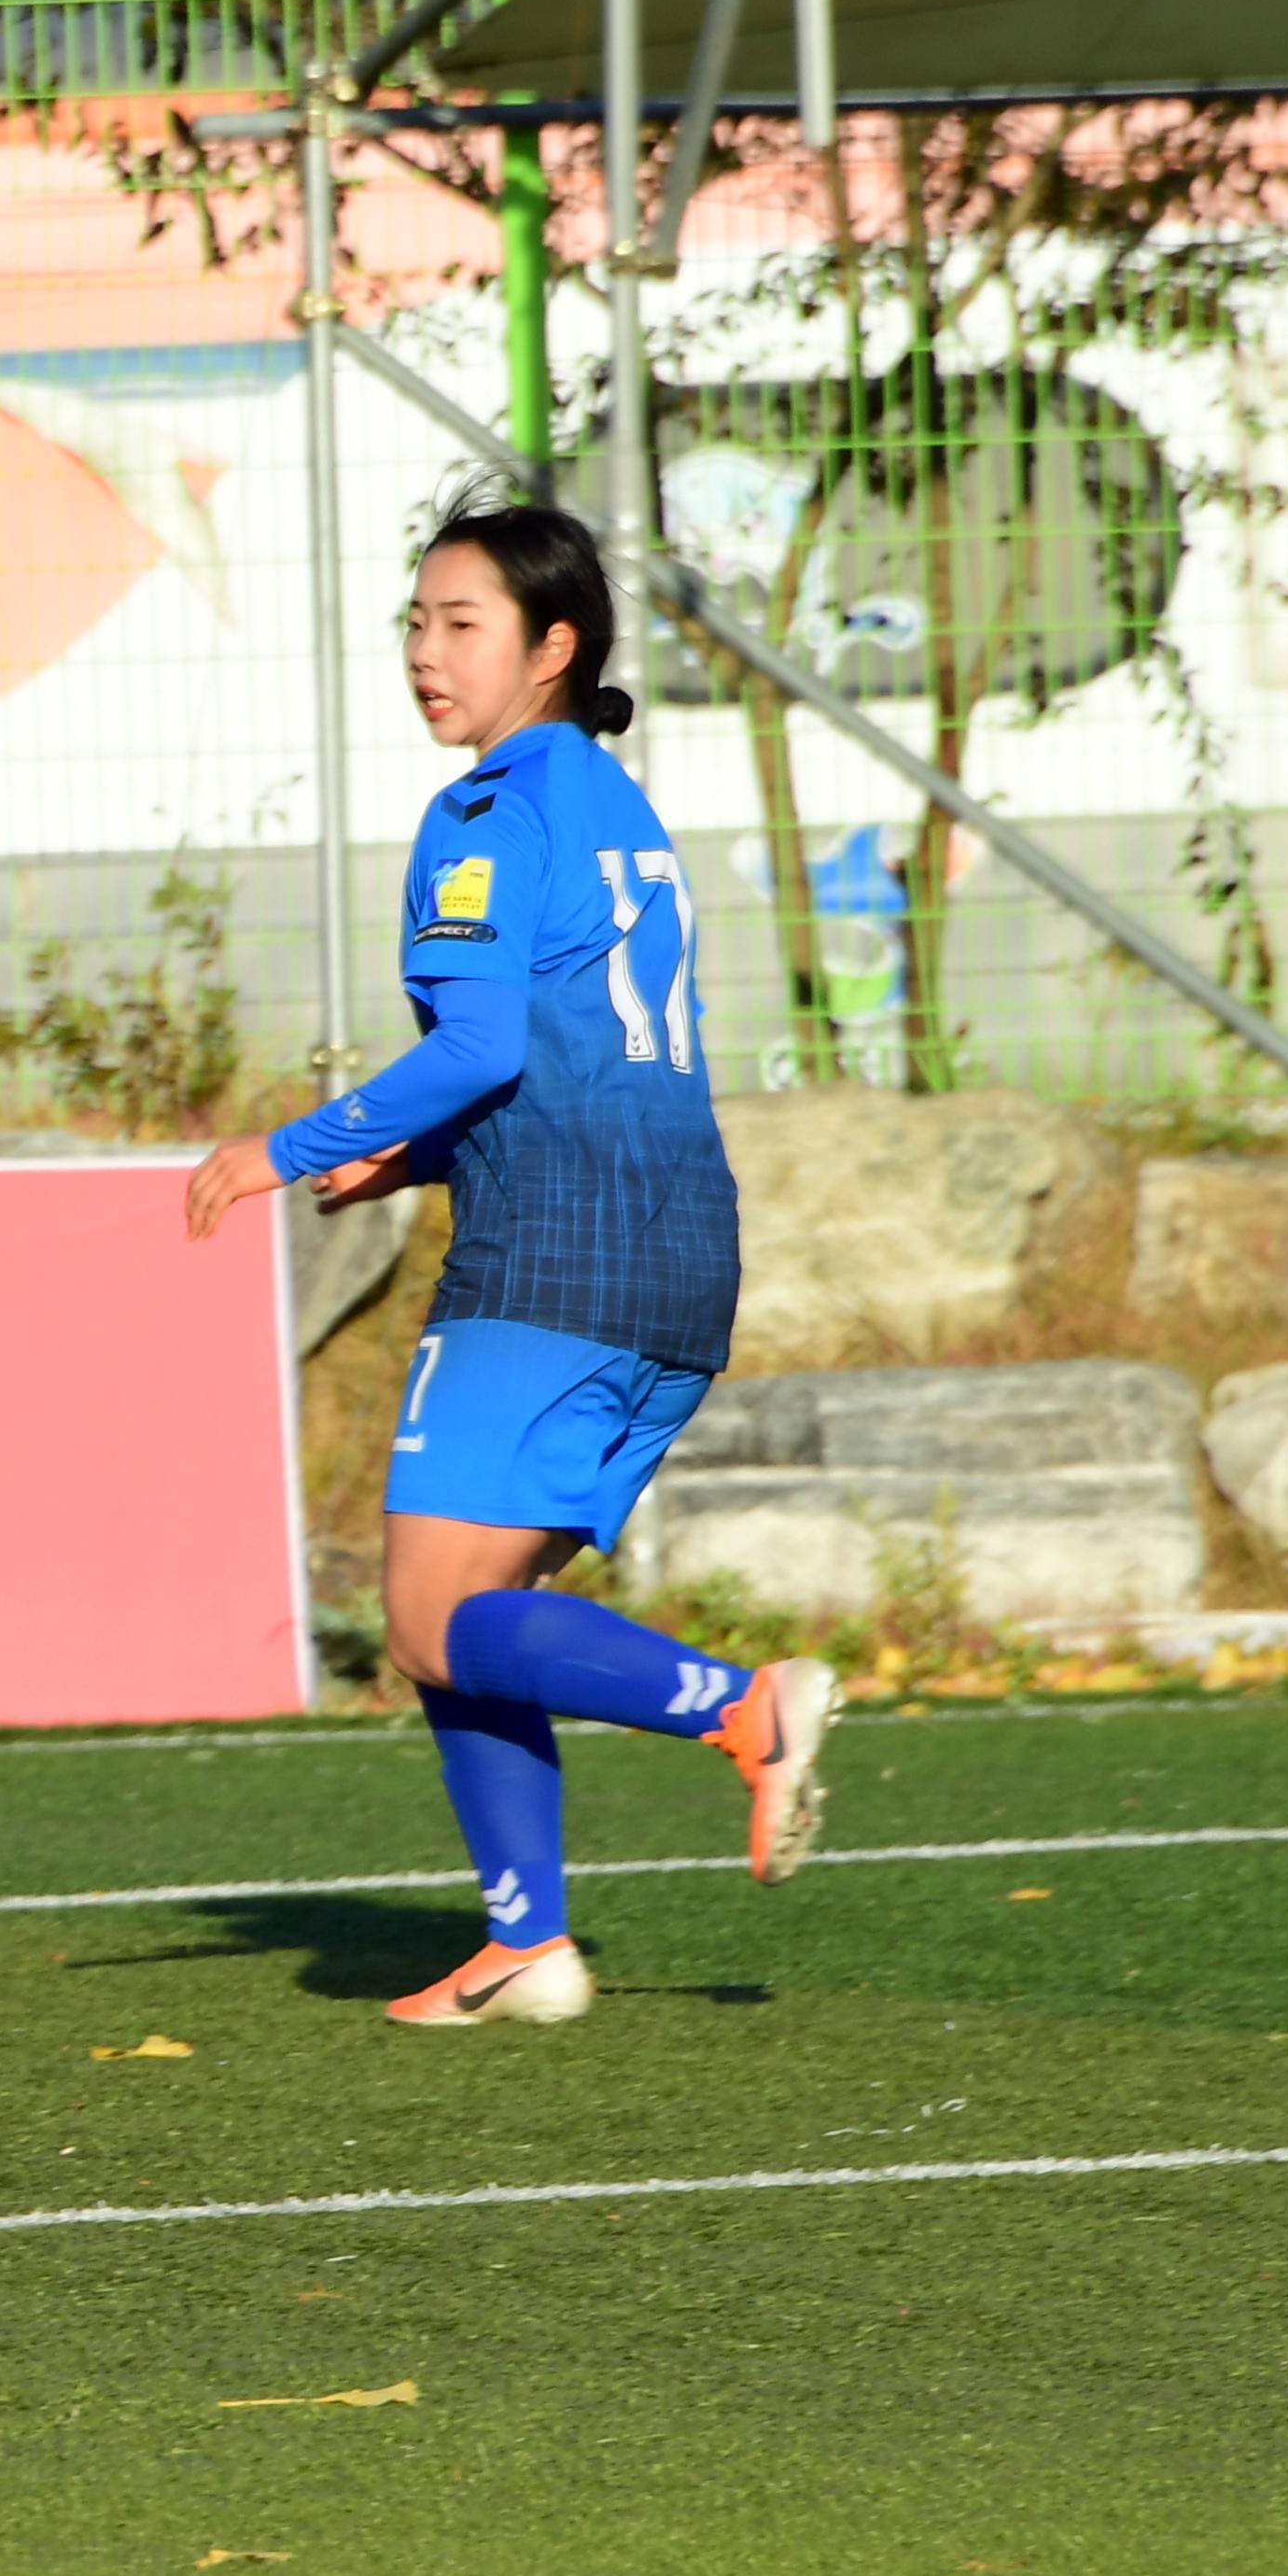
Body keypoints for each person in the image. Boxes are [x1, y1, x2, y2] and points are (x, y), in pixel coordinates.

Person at [185, 498, 832, 2027]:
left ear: (556, 648)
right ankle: (524, 1941)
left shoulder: (484, 813)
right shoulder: (612, 803)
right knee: (466, 1618)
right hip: (677, 1244)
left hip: (554, 1249)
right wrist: (409, 1153)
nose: (425, 652)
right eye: (415, 621)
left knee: (430, 1623)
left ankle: (740, 1710)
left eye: (460, 624)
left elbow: (475, 1039)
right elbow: (561, 1043)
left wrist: (280, 1147)